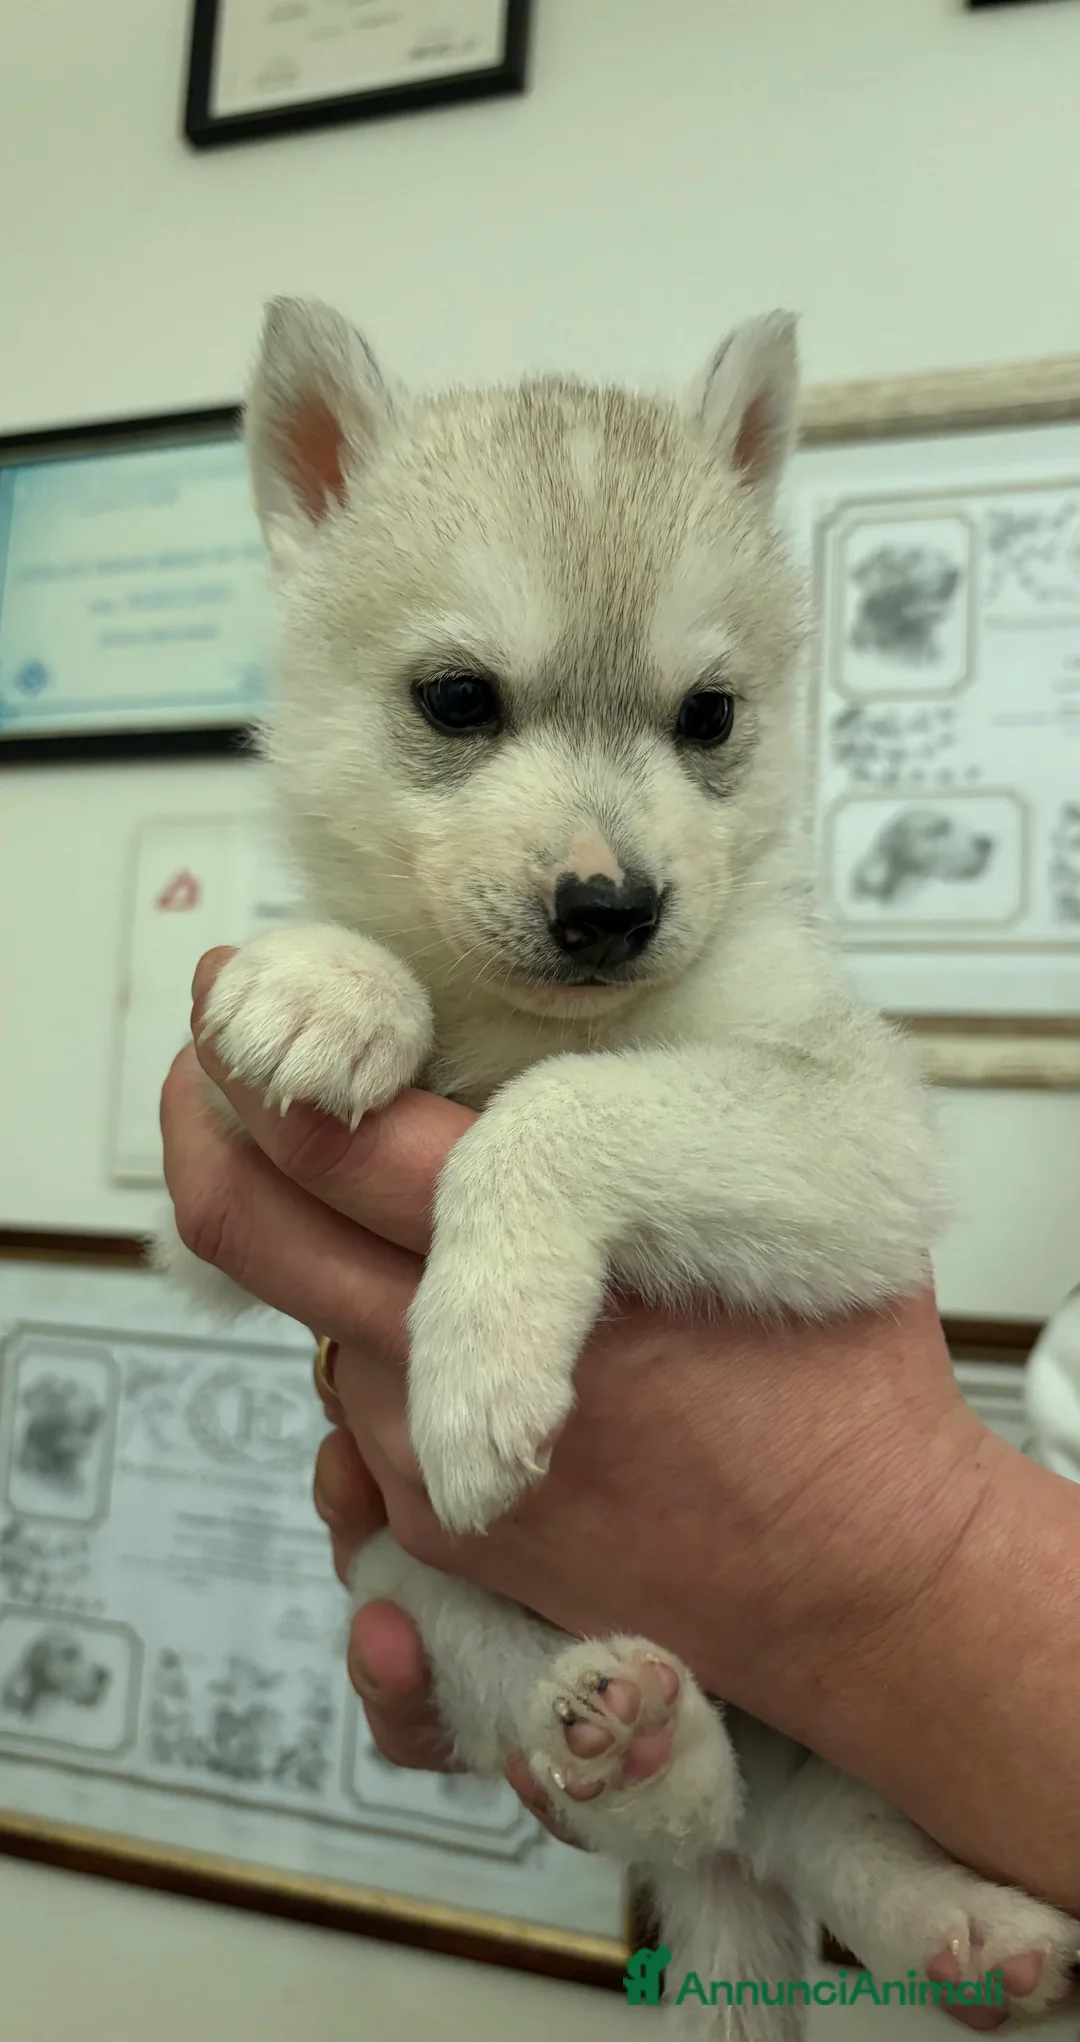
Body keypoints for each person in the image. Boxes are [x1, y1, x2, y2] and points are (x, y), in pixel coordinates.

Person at [162, 949, 1080, 1946]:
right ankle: (740, 1820)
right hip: (546, 1622)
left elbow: (883, 1191)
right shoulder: (359, 960)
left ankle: (809, 1838)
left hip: (898, 1694)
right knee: (412, 1576)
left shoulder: (754, 972)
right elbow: (210, 1249)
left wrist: (890, 1549)